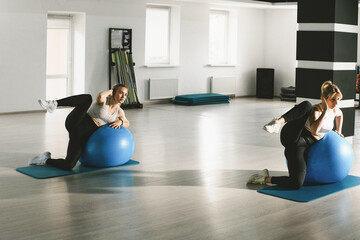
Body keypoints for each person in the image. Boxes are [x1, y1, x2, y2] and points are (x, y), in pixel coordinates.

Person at [247, 81, 343, 189]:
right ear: (324, 99)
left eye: (338, 99)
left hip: (300, 147)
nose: (336, 103)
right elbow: (315, 131)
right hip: (293, 137)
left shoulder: (335, 110)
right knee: (307, 105)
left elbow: (340, 115)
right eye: (333, 100)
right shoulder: (316, 110)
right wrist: (324, 111)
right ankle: (278, 122)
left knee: (296, 183)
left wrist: (339, 130)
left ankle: (264, 178)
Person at [28, 84, 130, 170]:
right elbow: (100, 96)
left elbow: (127, 123)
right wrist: (111, 90)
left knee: (69, 165)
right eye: (121, 93)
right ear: (113, 92)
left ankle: (45, 159)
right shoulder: (104, 101)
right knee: (87, 98)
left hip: (82, 135)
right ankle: (53, 103)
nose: (123, 96)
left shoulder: (119, 111)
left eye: (125, 94)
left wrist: (120, 122)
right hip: (77, 122)